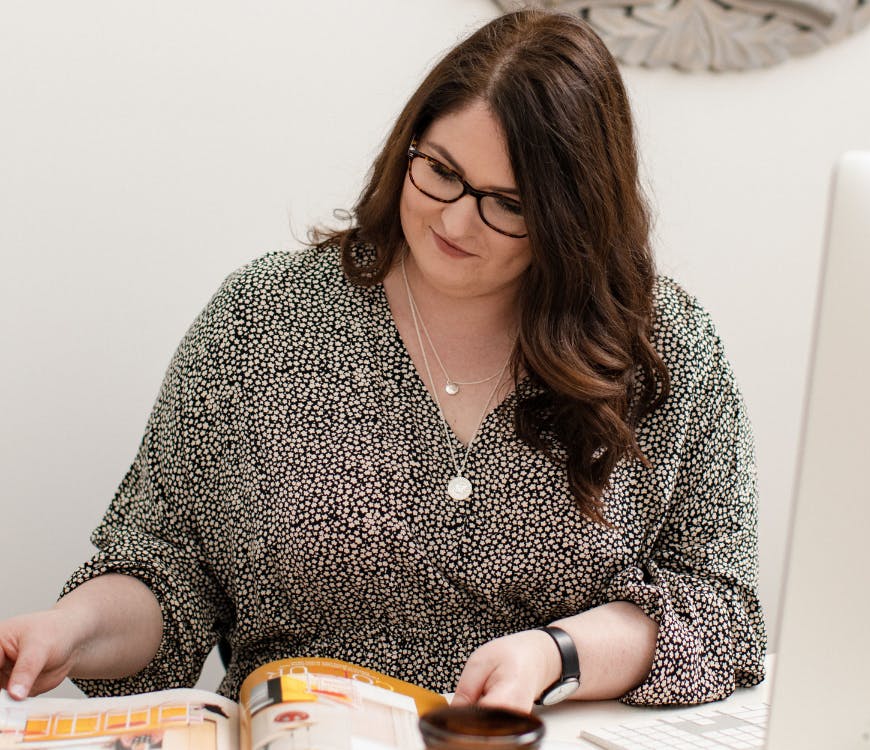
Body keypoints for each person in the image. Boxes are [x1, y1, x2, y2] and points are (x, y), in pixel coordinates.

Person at [0, 9, 765, 713]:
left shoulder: (660, 348)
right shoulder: (263, 318)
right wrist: (70, 627)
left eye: (509, 204)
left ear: (575, 218)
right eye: (438, 171)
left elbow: (723, 613)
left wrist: (556, 657)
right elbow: (166, 572)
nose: (456, 218)